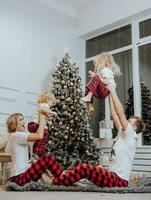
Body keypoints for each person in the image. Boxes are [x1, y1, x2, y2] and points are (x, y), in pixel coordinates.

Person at [52, 84, 145, 188]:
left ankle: (55, 183)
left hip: (119, 180)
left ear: (135, 128)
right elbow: (114, 114)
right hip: (112, 176)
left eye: (129, 122)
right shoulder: (122, 133)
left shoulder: (131, 135)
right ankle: (62, 178)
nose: (126, 122)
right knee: (85, 168)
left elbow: (119, 112)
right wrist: (109, 94)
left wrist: (112, 90)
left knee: (85, 168)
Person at [7, 107, 62, 186]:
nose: (24, 121)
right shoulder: (16, 135)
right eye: (20, 120)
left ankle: (61, 179)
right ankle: (63, 176)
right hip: (19, 177)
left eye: (23, 119)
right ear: (14, 124)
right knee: (47, 159)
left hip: (23, 174)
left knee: (45, 165)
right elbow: (39, 136)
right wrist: (42, 116)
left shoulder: (17, 136)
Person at [81, 52, 121, 118]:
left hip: (106, 90)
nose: (96, 65)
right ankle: (90, 106)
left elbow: (106, 81)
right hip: (104, 92)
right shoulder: (103, 71)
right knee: (89, 87)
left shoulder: (106, 70)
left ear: (102, 62)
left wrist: (96, 76)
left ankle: (89, 97)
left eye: (96, 63)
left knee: (95, 78)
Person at [28, 91, 57, 156]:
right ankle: (38, 150)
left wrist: (48, 115)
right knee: (45, 133)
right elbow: (42, 109)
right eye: (52, 102)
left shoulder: (42, 104)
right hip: (34, 124)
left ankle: (39, 148)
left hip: (31, 124)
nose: (52, 104)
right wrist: (52, 112)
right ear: (47, 99)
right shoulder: (45, 105)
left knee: (41, 135)